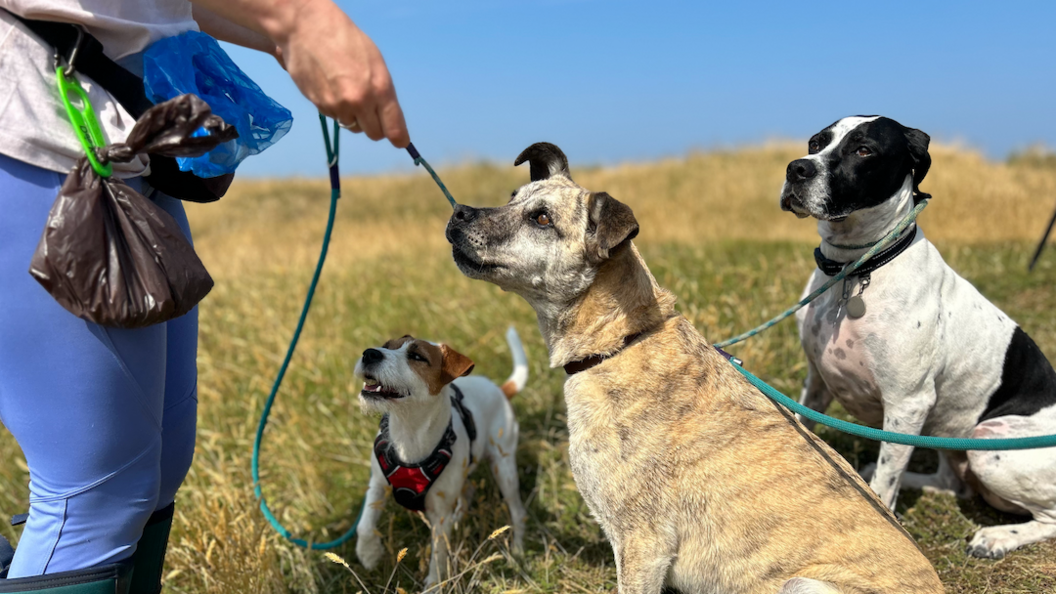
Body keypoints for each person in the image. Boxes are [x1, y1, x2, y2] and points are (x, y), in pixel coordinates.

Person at [0, 1, 407, 591]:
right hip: (35, 134)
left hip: (130, 148)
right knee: (94, 494)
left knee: (160, 466)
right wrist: (299, 21)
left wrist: (282, 44)